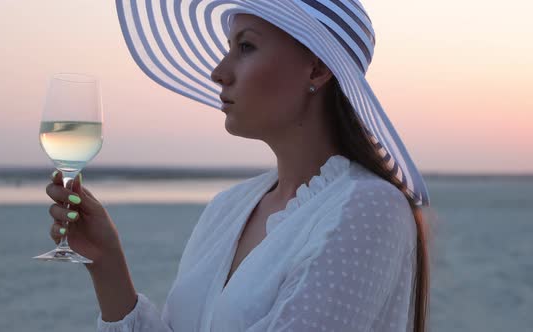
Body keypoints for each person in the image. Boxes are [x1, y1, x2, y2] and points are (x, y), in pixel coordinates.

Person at [46, 1, 434, 331]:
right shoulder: (228, 207)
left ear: (316, 69)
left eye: (245, 47)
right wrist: (107, 264)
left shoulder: (369, 209)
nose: (218, 71)